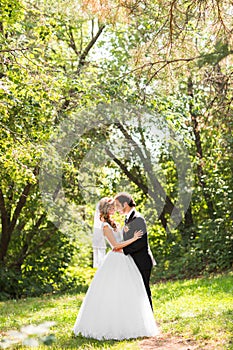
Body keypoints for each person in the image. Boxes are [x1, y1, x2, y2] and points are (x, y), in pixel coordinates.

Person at [73, 197, 159, 340]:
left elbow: (121, 240)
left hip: (125, 259)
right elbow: (115, 246)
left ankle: (134, 321)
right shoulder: (104, 226)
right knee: (114, 291)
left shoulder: (115, 223)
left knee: (130, 291)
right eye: (112, 207)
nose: (115, 209)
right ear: (106, 209)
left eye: (116, 207)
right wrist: (134, 238)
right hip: (116, 259)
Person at [114, 192, 154, 309]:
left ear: (125, 204)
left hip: (142, 261)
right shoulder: (128, 219)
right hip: (133, 261)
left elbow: (141, 243)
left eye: (117, 205)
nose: (116, 209)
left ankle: (149, 320)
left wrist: (123, 250)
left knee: (144, 291)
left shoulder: (138, 219)